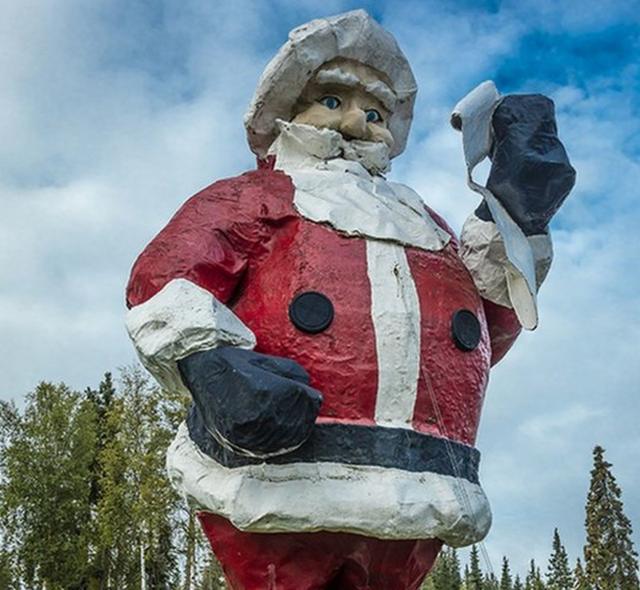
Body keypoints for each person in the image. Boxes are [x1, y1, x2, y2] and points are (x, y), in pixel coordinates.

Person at [125, 10, 575, 590]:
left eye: (375, 112)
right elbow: (167, 278)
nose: (360, 124)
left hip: (424, 482)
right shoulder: (251, 199)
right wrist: (210, 364)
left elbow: (488, 325)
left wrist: (516, 215)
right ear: (287, 108)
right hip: (285, 470)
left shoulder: (424, 223)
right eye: (333, 101)